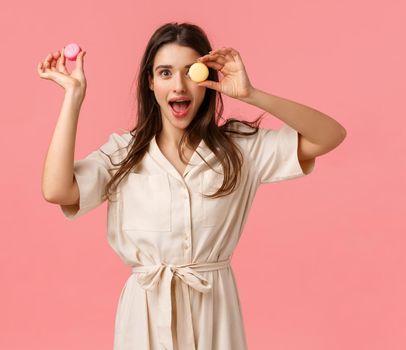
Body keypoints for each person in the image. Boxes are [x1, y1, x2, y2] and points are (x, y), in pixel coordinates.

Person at [38, 22, 345, 350]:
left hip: (215, 308)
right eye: (166, 73)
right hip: (145, 315)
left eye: (191, 72)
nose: (179, 86)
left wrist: (251, 94)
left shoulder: (240, 148)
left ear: (208, 80)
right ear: (150, 82)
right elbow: (57, 191)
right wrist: (73, 97)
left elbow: (329, 136)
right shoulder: (124, 153)